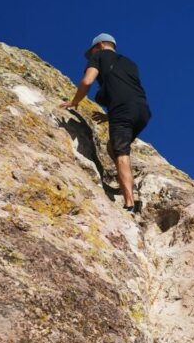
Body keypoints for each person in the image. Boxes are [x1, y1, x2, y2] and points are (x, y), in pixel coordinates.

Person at [61, 33, 151, 213]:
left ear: (100, 45)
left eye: (92, 50)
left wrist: (75, 101)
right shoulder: (129, 63)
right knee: (113, 147)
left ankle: (130, 204)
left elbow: (87, 80)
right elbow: (127, 91)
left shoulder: (99, 56)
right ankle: (128, 182)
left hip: (122, 111)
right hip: (143, 111)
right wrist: (110, 116)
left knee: (120, 153)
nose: (91, 54)